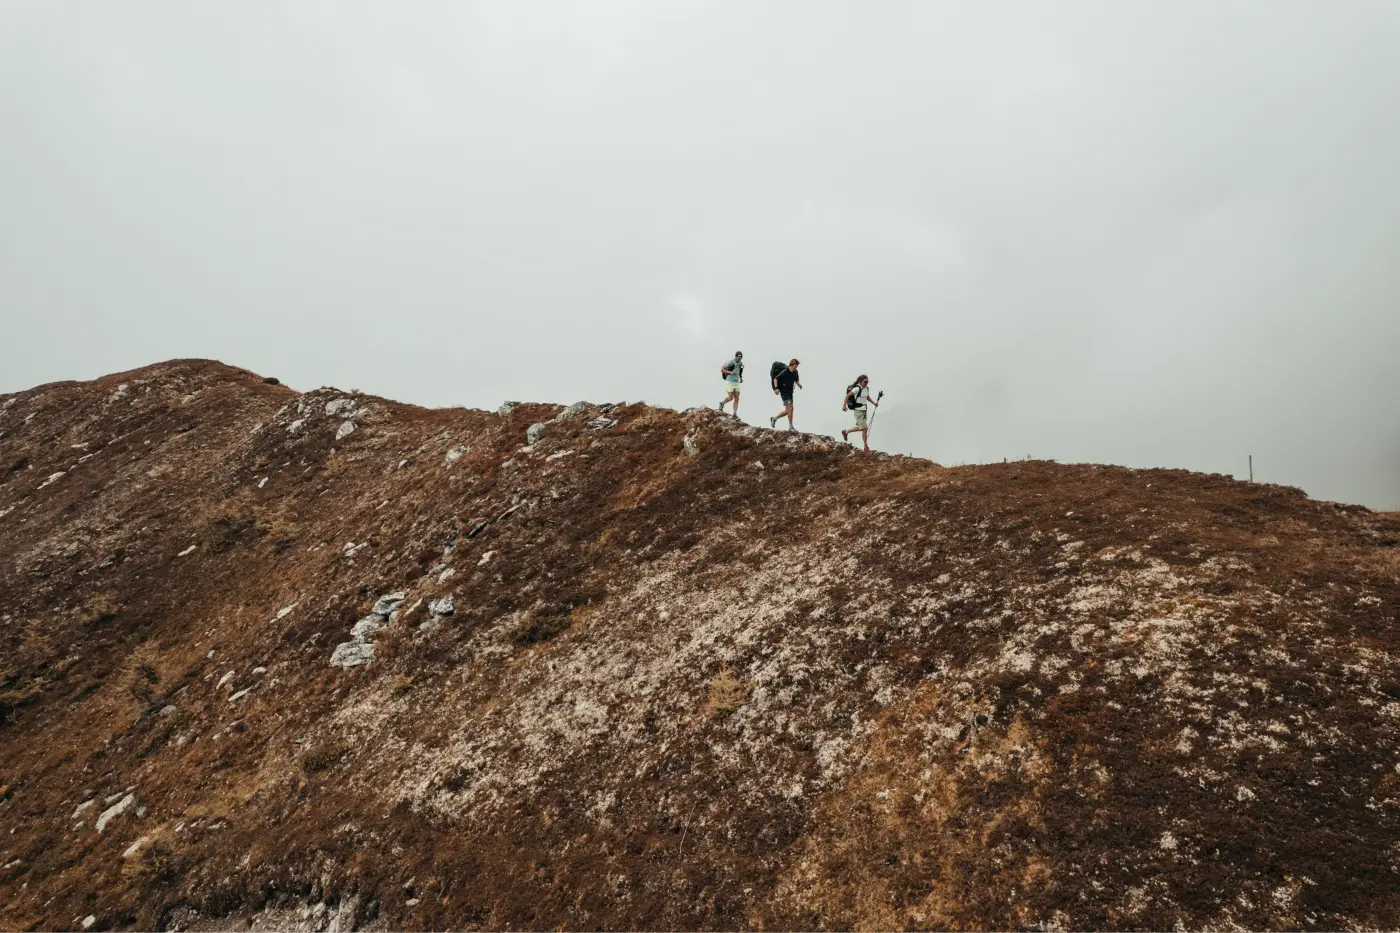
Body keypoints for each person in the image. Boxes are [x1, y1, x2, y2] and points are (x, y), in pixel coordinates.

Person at [841, 374, 879, 451]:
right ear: (860, 382)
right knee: (864, 428)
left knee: (862, 428)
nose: (866, 383)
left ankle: (846, 432)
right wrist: (844, 406)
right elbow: (847, 396)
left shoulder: (866, 388)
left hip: (864, 410)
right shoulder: (857, 389)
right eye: (865, 382)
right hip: (858, 410)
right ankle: (866, 447)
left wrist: (874, 403)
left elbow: (867, 397)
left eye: (867, 382)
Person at [769, 359, 802, 432]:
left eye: (797, 366)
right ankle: (791, 427)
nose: (796, 368)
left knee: (788, 410)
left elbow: (796, 379)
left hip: (790, 392)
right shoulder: (785, 372)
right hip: (784, 392)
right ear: (791, 365)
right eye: (795, 366)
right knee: (790, 407)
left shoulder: (795, 372)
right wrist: (776, 388)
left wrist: (799, 384)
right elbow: (775, 378)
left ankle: (774, 418)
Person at [717, 351, 744, 417]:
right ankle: (722, 403)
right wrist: (730, 372)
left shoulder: (740, 363)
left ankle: (735, 414)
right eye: (738, 358)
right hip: (729, 381)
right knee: (730, 397)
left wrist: (741, 378)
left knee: (737, 398)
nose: (739, 359)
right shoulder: (730, 362)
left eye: (740, 358)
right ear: (736, 357)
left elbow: (740, 371)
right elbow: (722, 369)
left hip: (736, 382)